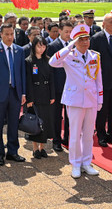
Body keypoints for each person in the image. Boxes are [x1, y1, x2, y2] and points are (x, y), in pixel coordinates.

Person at [49, 23, 103, 178]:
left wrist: (100, 100)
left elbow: (98, 80)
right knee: (74, 134)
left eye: (87, 39)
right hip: (74, 100)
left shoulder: (95, 56)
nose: (85, 42)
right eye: (81, 40)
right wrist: (69, 46)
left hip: (91, 100)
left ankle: (86, 162)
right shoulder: (69, 56)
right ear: (74, 41)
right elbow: (52, 62)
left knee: (88, 134)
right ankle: (75, 163)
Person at [0, 24, 27, 166]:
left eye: (11, 34)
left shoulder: (19, 50)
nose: (10, 37)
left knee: (14, 124)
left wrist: (23, 93)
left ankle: (13, 151)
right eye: (7, 34)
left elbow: (22, 73)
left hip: (15, 92)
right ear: (1, 35)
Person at [90, 13, 112, 147]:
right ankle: (101, 135)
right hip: (101, 81)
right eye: (111, 22)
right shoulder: (97, 38)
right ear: (103, 24)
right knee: (102, 110)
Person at [25, 36, 55, 159]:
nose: (41, 48)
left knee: (45, 121)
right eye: (39, 46)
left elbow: (52, 80)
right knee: (35, 122)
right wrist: (29, 99)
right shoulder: (29, 61)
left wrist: (52, 95)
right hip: (35, 94)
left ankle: (42, 147)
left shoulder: (48, 60)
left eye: (43, 46)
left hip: (46, 93)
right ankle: (35, 148)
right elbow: (28, 81)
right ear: (34, 46)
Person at [47, 21, 72, 152]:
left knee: (70, 115)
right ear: (60, 31)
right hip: (57, 86)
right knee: (57, 116)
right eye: (66, 31)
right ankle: (56, 140)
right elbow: (50, 69)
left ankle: (67, 138)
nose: (68, 34)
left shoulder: (74, 46)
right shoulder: (52, 46)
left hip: (71, 86)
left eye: (70, 32)